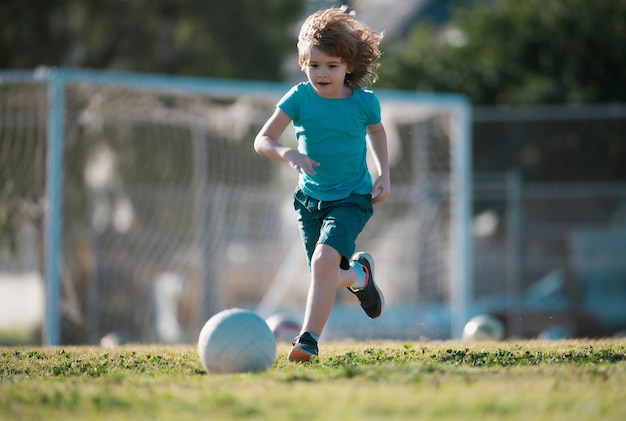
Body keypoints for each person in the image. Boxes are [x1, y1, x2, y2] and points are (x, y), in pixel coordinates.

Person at [254, 5, 390, 362]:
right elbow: (262, 140)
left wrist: (384, 173)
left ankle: (308, 340)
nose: (322, 73)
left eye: (331, 66)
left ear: (348, 66)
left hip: (352, 198)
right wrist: (288, 155)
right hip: (309, 201)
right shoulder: (298, 98)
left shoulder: (363, 103)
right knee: (324, 270)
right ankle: (360, 275)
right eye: (314, 65)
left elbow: (377, 132)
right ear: (303, 65)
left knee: (323, 263)